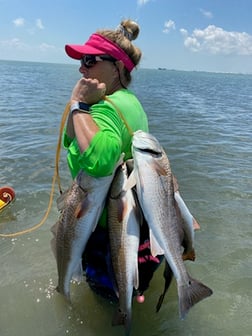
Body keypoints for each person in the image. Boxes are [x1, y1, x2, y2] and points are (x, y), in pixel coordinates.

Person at [63, 19, 163, 302]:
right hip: (137, 223)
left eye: (90, 60)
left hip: (109, 229)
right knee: (130, 290)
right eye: (82, 60)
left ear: (117, 66)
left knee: (106, 298)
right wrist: (79, 111)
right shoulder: (130, 101)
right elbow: (72, 142)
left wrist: (78, 105)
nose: (82, 67)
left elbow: (101, 161)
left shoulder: (105, 108)